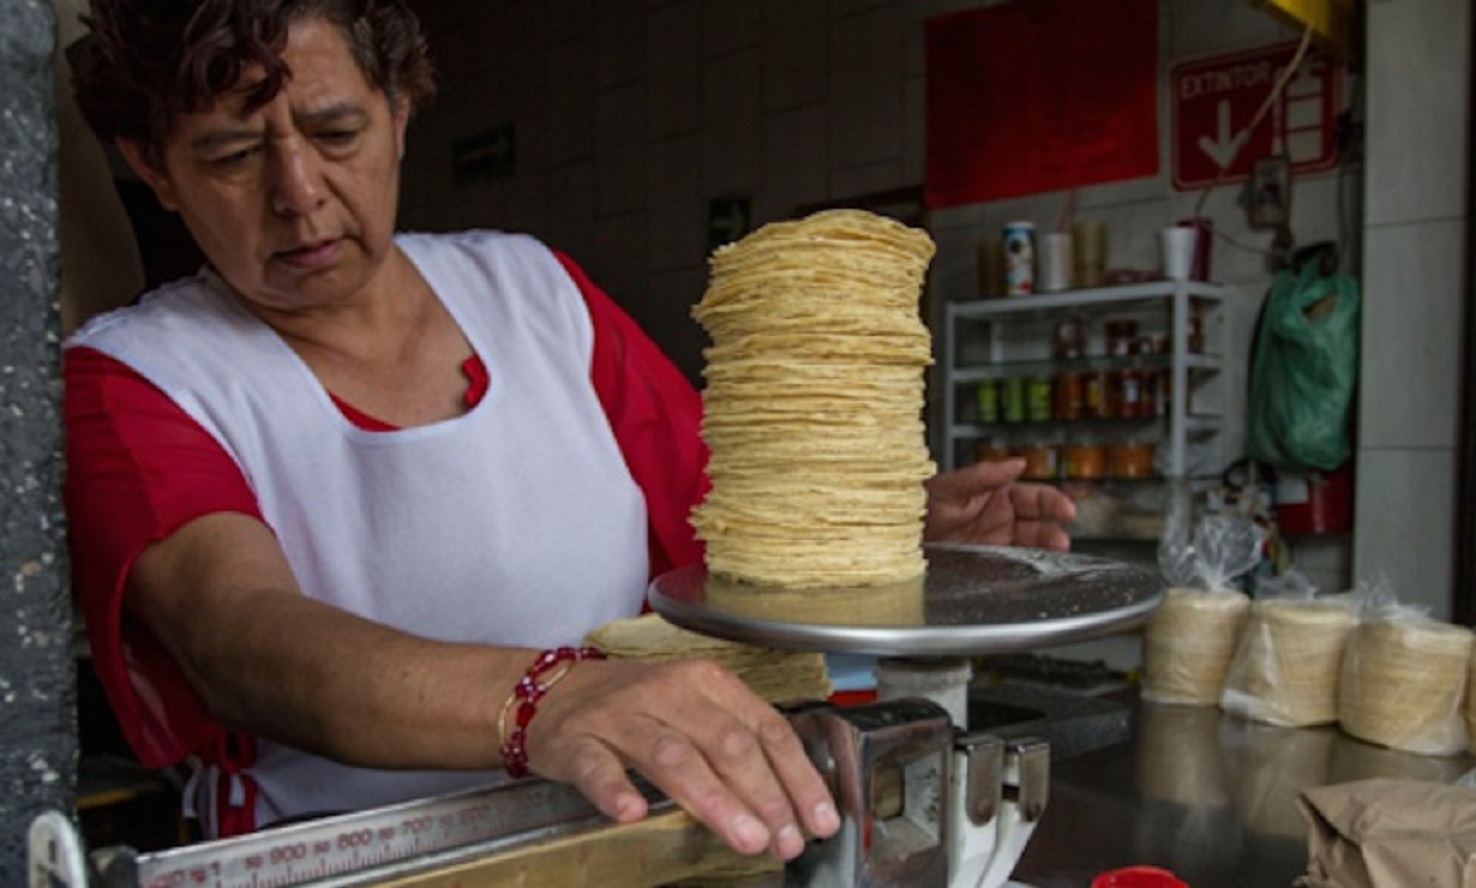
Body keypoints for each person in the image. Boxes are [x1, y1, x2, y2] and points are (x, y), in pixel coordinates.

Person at [64, 0, 1077, 861]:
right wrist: (546, 698)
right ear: (151, 167)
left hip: (620, 842)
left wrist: (874, 531)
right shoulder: (139, 378)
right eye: (233, 156)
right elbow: (238, 638)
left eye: (336, 134)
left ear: (401, 109)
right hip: (356, 865)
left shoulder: (535, 293)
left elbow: (710, 520)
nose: (299, 196)